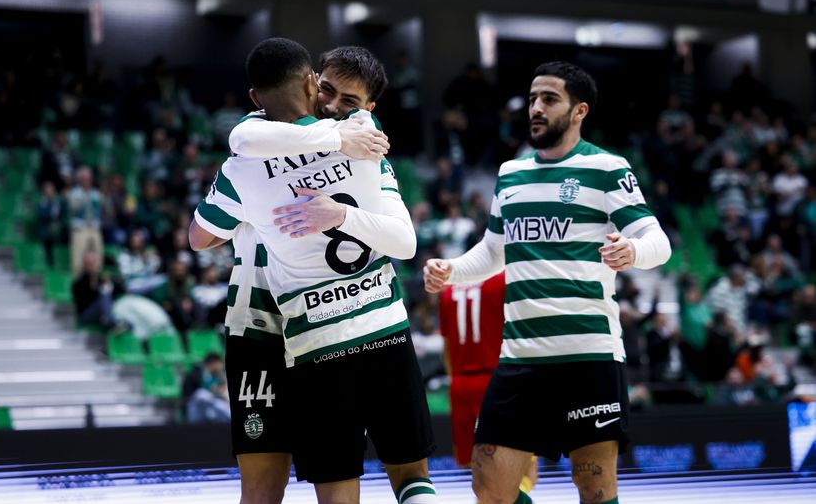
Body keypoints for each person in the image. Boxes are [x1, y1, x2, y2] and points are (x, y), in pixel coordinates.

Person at [191, 39, 437, 504]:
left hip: (313, 331)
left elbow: (200, 234)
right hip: (271, 326)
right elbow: (251, 135)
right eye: (327, 91)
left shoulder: (246, 164)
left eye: (349, 104)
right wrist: (336, 140)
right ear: (310, 84)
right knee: (270, 484)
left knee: (326, 478)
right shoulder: (355, 137)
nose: (334, 108)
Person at [424, 61, 671, 504]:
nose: (536, 108)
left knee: (595, 489)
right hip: (520, 357)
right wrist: (451, 270)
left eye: (549, 99)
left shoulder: (606, 168)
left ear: (579, 111)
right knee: (489, 488)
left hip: (588, 355)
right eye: (533, 98)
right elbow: (492, 253)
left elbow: (658, 241)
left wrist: (633, 251)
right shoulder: (510, 174)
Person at [438, 272, 538, 491]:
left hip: (460, 383)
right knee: (525, 462)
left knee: (477, 467)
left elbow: (446, 347)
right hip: (498, 379)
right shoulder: (504, 279)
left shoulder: (450, 289)